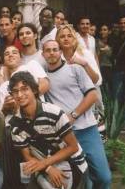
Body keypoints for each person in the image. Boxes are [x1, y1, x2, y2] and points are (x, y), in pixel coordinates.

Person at [42, 40, 112, 189]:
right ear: (43, 54)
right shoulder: (43, 79)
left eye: (55, 49)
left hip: (87, 130)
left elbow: (92, 95)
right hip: (65, 136)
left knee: (103, 177)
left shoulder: (75, 69)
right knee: (80, 179)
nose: (52, 53)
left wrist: (73, 115)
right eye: (48, 50)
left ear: (60, 52)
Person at [8, 71, 88, 189]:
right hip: (43, 165)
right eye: (15, 91)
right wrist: (48, 168)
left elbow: (73, 147)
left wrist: (45, 164)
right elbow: (27, 156)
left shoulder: (54, 113)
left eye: (24, 89)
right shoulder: (15, 125)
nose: (19, 95)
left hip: (73, 163)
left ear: (34, 90)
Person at [97, 24, 113, 95]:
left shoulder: (113, 43)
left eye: (105, 30)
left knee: (109, 89)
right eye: (101, 30)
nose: (102, 32)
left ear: (109, 32)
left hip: (110, 68)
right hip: (100, 67)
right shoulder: (97, 42)